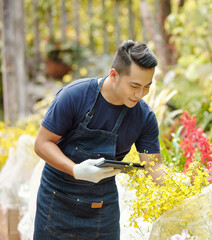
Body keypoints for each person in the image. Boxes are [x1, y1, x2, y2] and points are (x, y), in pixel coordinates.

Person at [33, 40, 166, 240]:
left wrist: (180, 188)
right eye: (134, 86)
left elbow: (153, 167)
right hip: (57, 200)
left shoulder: (144, 117)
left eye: (147, 86)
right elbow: (42, 144)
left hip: (102, 208)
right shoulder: (75, 96)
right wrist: (76, 170)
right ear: (114, 75)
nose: (140, 94)